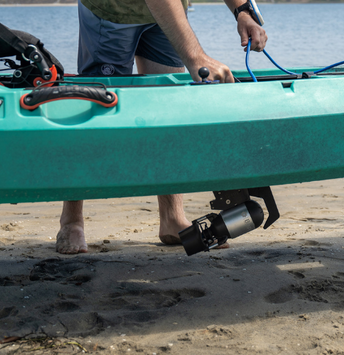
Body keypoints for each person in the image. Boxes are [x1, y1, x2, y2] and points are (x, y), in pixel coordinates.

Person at [56, 0, 268, 254]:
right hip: (111, 10)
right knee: (98, 109)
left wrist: (242, 11)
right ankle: (71, 220)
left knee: (169, 106)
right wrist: (196, 57)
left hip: (166, 12)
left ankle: (171, 217)